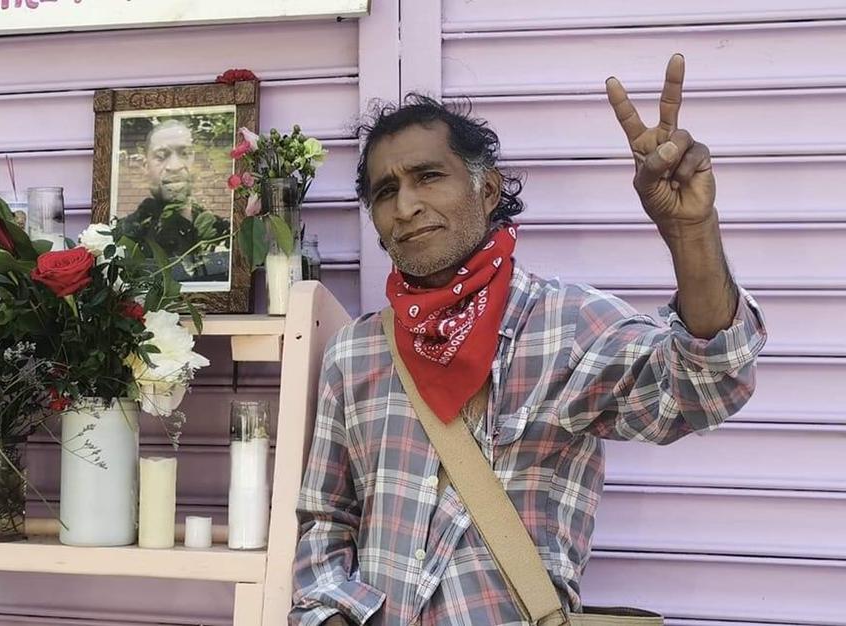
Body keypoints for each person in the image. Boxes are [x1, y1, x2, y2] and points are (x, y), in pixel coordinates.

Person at [290, 55, 766, 625]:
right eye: (385, 191)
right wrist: (327, 612)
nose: (406, 205)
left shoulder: (566, 325)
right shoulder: (356, 352)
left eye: (428, 176)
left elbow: (706, 388)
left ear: (487, 189)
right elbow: (327, 518)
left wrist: (691, 232)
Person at [115, 118, 230, 281]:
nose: (175, 166)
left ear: (194, 160)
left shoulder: (223, 233)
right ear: (146, 166)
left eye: (184, 154)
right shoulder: (126, 236)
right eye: (161, 156)